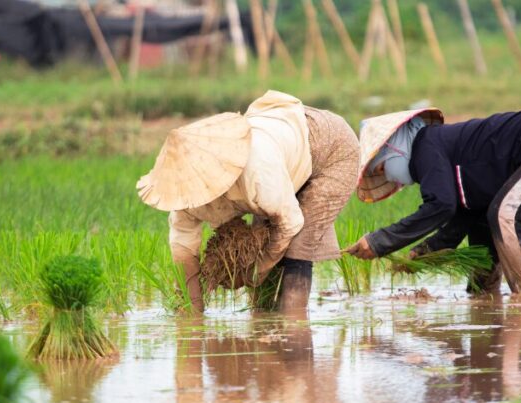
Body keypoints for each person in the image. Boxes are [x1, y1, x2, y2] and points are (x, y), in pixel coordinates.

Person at [137, 90, 360, 313]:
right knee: (262, 238)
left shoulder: (257, 172)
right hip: (280, 153)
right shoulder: (185, 198)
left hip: (330, 146)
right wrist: (192, 311)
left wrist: (254, 273)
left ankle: (295, 322)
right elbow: (184, 252)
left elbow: (290, 223)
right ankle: (264, 321)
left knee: (299, 246)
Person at [343, 109, 521, 294]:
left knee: (505, 216)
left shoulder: (426, 147)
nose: (386, 176)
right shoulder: (439, 149)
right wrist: (424, 252)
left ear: (394, 149)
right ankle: (486, 296)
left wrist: (379, 242)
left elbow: (440, 206)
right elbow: (465, 212)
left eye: (380, 169)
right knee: (486, 222)